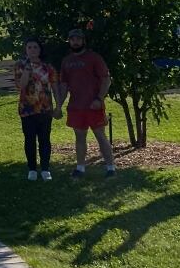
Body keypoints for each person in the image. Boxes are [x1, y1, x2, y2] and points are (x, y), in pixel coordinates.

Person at [56, 28, 115, 178]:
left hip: (93, 105)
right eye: (72, 39)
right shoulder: (66, 61)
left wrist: (99, 98)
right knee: (80, 137)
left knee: (100, 136)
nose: (75, 42)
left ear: (83, 41)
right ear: (69, 41)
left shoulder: (94, 57)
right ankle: (80, 168)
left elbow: (106, 79)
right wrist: (58, 105)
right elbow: (63, 85)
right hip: (76, 107)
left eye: (78, 39)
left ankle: (111, 168)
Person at [14, 38, 57, 181]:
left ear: (40, 50)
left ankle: (45, 169)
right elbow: (21, 85)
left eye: (35, 47)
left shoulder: (47, 67)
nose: (32, 50)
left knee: (45, 139)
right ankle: (32, 169)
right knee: (29, 139)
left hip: (45, 109)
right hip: (27, 109)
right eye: (29, 47)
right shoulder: (20, 65)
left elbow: (55, 86)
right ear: (26, 50)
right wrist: (27, 69)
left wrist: (58, 106)